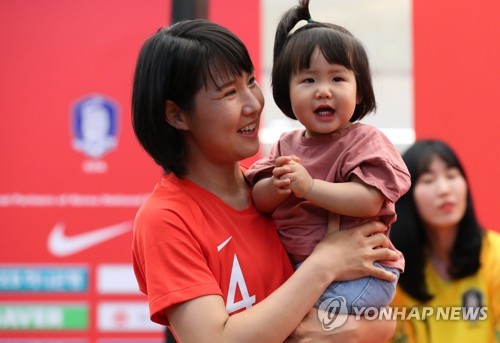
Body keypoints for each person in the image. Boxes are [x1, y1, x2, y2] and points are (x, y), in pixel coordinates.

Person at [131, 19, 399, 342]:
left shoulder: (278, 187)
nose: (253, 104)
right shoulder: (166, 219)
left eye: (251, 82)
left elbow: (383, 323)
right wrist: (325, 264)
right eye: (229, 93)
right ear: (176, 115)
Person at [245, 0, 411, 314]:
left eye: (337, 79)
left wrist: (309, 188)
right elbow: (258, 201)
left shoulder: (366, 141)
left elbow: (369, 200)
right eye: (308, 80)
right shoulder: (284, 145)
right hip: (300, 270)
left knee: (297, 318)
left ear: (359, 92)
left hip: (363, 273)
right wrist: (276, 186)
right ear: (287, 92)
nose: (323, 90)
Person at [389, 139, 500, 342]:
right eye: (428, 180)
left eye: (451, 176)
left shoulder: (495, 254)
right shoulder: (393, 266)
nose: (444, 190)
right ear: (407, 196)